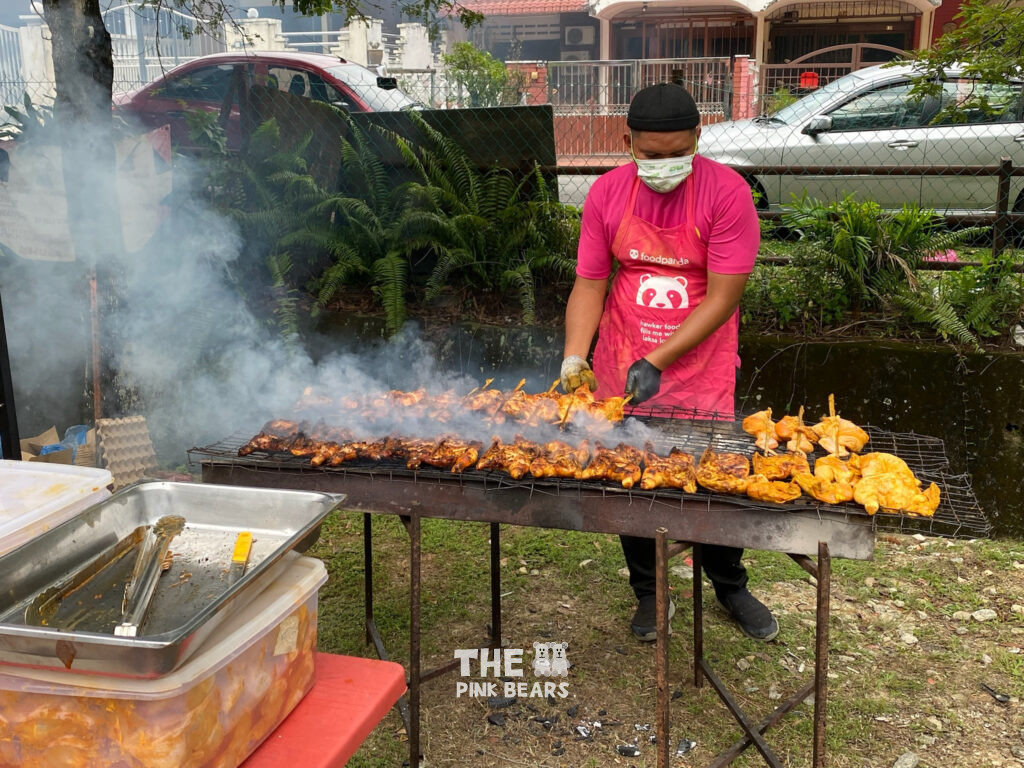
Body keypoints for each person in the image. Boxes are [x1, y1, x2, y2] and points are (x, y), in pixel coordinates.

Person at [560, 82, 778, 643]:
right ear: (626, 139)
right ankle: (651, 593)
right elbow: (590, 281)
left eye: (677, 152)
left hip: (699, 365)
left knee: (714, 479)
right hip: (622, 354)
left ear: (698, 137)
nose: (664, 165)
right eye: (651, 155)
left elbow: (724, 296)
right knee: (631, 480)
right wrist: (572, 359)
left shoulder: (727, 194)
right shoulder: (607, 193)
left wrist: (659, 358)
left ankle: (729, 584)